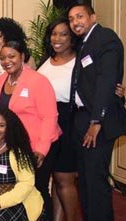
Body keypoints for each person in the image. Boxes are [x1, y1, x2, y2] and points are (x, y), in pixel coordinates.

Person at [68, 4, 126, 220]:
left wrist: (96, 121)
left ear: (93, 16)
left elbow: (107, 80)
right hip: (83, 118)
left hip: (97, 122)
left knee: (95, 182)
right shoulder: (84, 43)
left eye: (80, 16)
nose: (75, 22)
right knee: (84, 181)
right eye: (72, 19)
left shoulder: (105, 38)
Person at [0, 40, 60, 216]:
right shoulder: (0, 80)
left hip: (39, 145)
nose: (6, 61)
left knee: (37, 189)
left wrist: (41, 150)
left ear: (22, 56)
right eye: (2, 57)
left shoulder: (38, 80)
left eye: (12, 56)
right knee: (18, 190)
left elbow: (50, 117)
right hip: (15, 146)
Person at [37, 18, 81, 221]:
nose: (58, 38)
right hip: (46, 122)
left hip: (68, 121)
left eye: (63, 34)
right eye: (54, 33)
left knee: (65, 178)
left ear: (72, 38)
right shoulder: (46, 59)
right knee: (55, 177)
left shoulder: (80, 61)